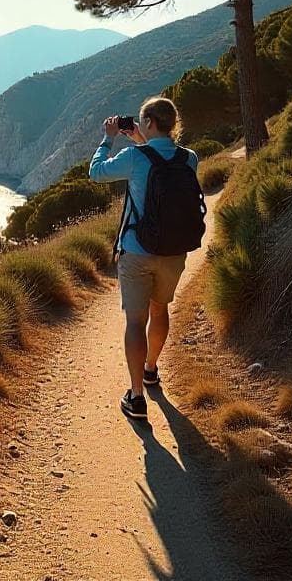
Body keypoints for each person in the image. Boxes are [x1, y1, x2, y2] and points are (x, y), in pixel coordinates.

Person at [89, 97, 202, 421]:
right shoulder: (189, 158)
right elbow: (160, 160)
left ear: (150, 122)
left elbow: (96, 173)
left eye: (142, 121)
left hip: (138, 252)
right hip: (173, 252)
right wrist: (141, 139)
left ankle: (137, 396)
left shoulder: (134, 157)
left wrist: (109, 137)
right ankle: (152, 369)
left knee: (136, 322)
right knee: (160, 309)